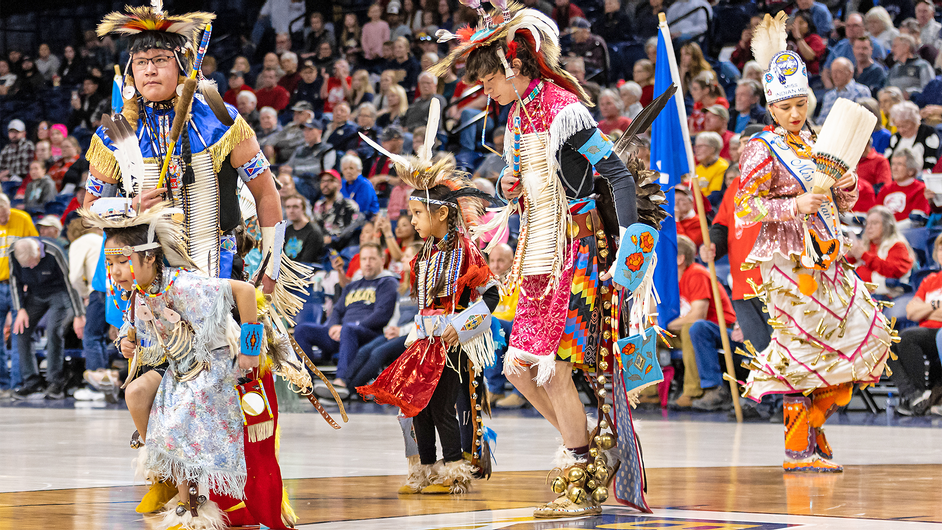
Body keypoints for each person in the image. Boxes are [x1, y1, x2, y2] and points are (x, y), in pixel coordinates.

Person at [437, 4, 645, 516]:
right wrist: (513, 186)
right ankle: (589, 451)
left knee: (552, 370)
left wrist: (628, 242)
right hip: (535, 252)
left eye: (488, 82)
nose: (486, 94)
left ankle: (581, 471)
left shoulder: (565, 109)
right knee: (519, 369)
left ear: (514, 68)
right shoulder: (518, 114)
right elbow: (528, 183)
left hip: (574, 250)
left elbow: (616, 174)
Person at [90, 5, 291, 524]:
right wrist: (131, 207)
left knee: (235, 393)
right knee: (148, 391)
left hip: (218, 277)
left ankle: (241, 497)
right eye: (141, 63)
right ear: (129, 74)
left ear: (182, 65)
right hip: (150, 294)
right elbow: (87, 210)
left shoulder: (222, 121)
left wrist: (269, 268)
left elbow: (267, 197)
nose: (151, 70)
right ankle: (180, 487)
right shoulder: (114, 135)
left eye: (160, 59)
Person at [735, 14, 894, 473]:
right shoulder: (760, 147)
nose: (795, 113)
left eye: (801, 103)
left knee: (866, 337)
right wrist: (792, 205)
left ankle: (815, 425)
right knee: (805, 349)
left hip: (829, 254)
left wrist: (846, 186)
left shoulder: (816, 142)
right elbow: (746, 207)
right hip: (787, 261)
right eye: (786, 106)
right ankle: (799, 442)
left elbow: (842, 203)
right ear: (771, 106)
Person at [85, 202, 265, 530]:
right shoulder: (141, 291)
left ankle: (190, 509)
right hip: (181, 371)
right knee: (147, 406)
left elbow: (246, 290)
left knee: (176, 430)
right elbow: (137, 329)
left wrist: (251, 349)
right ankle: (180, 498)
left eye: (123, 261)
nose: (116, 272)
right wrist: (128, 341)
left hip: (215, 367)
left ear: (150, 257)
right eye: (111, 263)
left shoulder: (183, 284)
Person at [356, 147, 499, 494]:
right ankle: (425, 468)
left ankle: (454, 469)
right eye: (412, 214)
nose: (415, 221)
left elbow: (492, 295)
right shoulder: (424, 256)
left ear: (443, 215)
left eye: (418, 214)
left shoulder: (466, 251)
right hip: (422, 341)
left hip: (452, 342)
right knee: (413, 403)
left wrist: (462, 326)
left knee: (440, 407)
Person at [296, 242, 397, 397]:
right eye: (364, 259)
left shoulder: (387, 283)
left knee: (349, 328)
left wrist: (349, 327)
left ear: (382, 260)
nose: (367, 263)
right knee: (302, 330)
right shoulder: (353, 285)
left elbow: (381, 315)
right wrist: (332, 327)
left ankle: (341, 382)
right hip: (342, 333)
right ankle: (306, 384)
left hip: (368, 334)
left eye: (372, 259)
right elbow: (337, 310)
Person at [666, 235, 739, 411]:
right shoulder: (673, 279)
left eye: (667, 255)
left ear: (680, 259)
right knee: (649, 332)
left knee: (692, 327)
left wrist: (667, 326)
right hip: (691, 330)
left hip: (718, 329)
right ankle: (650, 392)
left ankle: (694, 391)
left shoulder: (696, 273)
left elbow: (698, 314)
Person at [9, 237, 85, 400]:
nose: (31, 267)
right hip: (35, 294)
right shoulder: (12, 253)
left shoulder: (53, 252)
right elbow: (14, 281)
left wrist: (79, 314)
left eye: (33, 262)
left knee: (54, 330)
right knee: (21, 331)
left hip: (59, 293)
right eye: (27, 265)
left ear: (38, 252)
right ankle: (31, 382)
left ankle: (55, 382)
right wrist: (20, 309)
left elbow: (69, 282)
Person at [886, 234, 942, 416]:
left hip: (938, 332)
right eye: (940, 249)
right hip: (926, 331)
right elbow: (911, 311)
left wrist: (924, 309)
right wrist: (934, 306)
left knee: (908, 337)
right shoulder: (930, 280)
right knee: (885, 345)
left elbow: (919, 310)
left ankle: (916, 398)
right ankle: (914, 395)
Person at [0, 194, 37, 395]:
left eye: (4, 215)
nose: (2, 220)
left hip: (17, 285)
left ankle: (16, 384)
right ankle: (2, 384)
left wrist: (28, 281)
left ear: (9, 208)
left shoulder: (22, 219)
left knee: (18, 334)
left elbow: (35, 249)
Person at [846, 206, 915, 298]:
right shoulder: (865, 244)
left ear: (887, 225)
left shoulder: (898, 245)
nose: (869, 227)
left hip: (885, 295)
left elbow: (893, 272)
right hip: (858, 292)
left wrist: (865, 256)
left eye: (874, 223)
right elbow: (846, 270)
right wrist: (851, 257)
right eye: (867, 223)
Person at [822, 13, 886, 88]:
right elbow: (826, 70)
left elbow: (879, 71)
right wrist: (830, 88)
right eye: (848, 26)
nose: (851, 28)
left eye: (855, 26)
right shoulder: (840, 46)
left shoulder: (874, 46)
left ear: (864, 27)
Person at [314, 169, 363, 251]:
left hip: (343, 247)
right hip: (322, 247)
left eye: (330, 181)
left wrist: (333, 239)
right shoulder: (318, 205)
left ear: (339, 184)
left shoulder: (350, 205)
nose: (325, 184)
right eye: (323, 181)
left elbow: (350, 231)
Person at [877, 146, 930, 222]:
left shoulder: (921, 189)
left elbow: (916, 221)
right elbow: (875, 214)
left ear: (911, 170)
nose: (894, 168)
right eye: (893, 164)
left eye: (899, 164)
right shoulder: (885, 189)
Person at [884, 101, 940, 170]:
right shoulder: (896, 137)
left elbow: (931, 161)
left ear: (915, 121)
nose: (901, 130)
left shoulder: (928, 133)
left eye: (904, 126)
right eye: (898, 126)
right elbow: (886, 160)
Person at [817, 57, 872, 122]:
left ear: (849, 73)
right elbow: (821, 122)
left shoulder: (862, 91)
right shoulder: (829, 96)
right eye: (833, 72)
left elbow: (865, 120)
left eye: (838, 72)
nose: (835, 76)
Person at [283, 194, 324, 263]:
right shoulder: (287, 230)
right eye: (288, 207)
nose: (291, 210)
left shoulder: (313, 232)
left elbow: (307, 262)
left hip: (306, 271)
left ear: (303, 209)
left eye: (295, 207)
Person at [787, 11, 827, 77]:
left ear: (808, 24)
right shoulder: (790, 41)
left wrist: (798, 37)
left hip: (812, 77)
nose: (798, 27)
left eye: (801, 23)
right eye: (795, 24)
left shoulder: (815, 38)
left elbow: (809, 57)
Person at [694, 131, 729, 196]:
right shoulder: (697, 169)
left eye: (700, 146)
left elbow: (714, 196)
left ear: (712, 148)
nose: (696, 150)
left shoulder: (722, 167)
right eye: (696, 146)